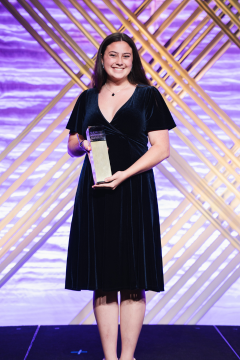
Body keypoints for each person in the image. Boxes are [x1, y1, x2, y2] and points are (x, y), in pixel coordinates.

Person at [65, 32, 176, 360]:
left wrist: (125, 174)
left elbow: (162, 149)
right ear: (102, 58)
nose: (119, 61)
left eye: (126, 56)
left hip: (134, 190)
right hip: (96, 191)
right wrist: (83, 144)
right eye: (113, 55)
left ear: (133, 61)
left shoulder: (148, 96)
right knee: (103, 277)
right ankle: (109, 358)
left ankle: (127, 357)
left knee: (132, 277)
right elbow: (71, 144)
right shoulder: (86, 98)